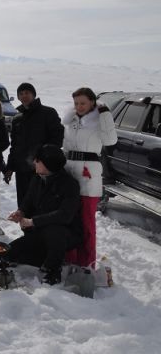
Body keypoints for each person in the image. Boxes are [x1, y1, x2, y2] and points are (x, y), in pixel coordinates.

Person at [6, 144, 83, 285]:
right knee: (9, 253)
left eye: (38, 160)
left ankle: (52, 271)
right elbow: (28, 201)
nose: (34, 162)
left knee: (55, 230)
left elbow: (65, 216)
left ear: (48, 164)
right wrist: (21, 212)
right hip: (39, 233)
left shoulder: (69, 185)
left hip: (64, 235)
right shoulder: (37, 178)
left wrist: (32, 221)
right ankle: (41, 259)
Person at [61, 87, 117, 268]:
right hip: (69, 174)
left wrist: (106, 115)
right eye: (76, 103)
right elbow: (65, 148)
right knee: (68, 218)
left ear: (92, 102)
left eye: (83, 103)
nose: (79, 106)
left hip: (89, 176)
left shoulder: (100, 121)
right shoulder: (71, 121)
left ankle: (86, 263)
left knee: (86, 222)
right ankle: (70, 258)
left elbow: (110, 141)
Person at [4, 83, 64, 206]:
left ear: (33, 94)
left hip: (42, 169)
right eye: (21, 93)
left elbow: (57, 139)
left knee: (41, 203)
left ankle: (38, 225)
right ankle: (25, 225)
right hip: (22, 170)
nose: (24, 95)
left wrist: (46, 159)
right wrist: (10, 167)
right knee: (24, 203)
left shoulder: (48, 113)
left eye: (27, 92)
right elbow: (15, 146)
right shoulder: (17, 118)